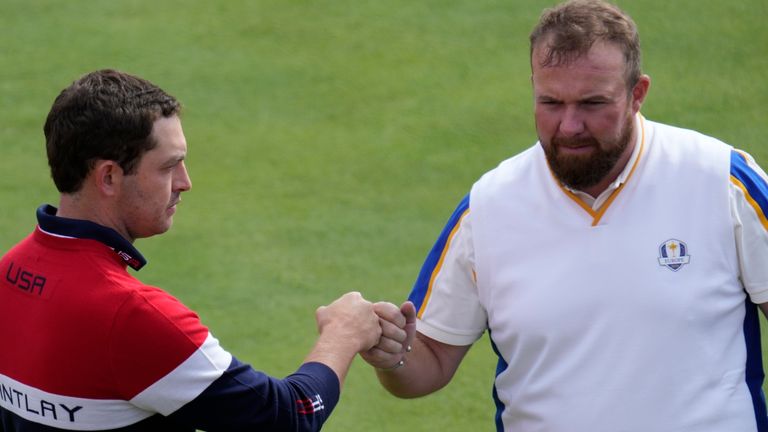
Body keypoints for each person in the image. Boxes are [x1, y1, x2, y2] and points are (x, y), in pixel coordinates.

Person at [361, 0, 768, 430]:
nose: (569, 126)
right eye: (551, 103)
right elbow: (431, 359)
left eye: (592, 104)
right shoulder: (489, 206)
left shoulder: (721, 180)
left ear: (637, 94)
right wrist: (394, 357)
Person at [0, 69, 383, 431]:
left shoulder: (8, 272)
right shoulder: (130, 316)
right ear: (109, 177)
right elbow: (290, 416)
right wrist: (343, 333)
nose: (186, 183)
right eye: (169, 167)